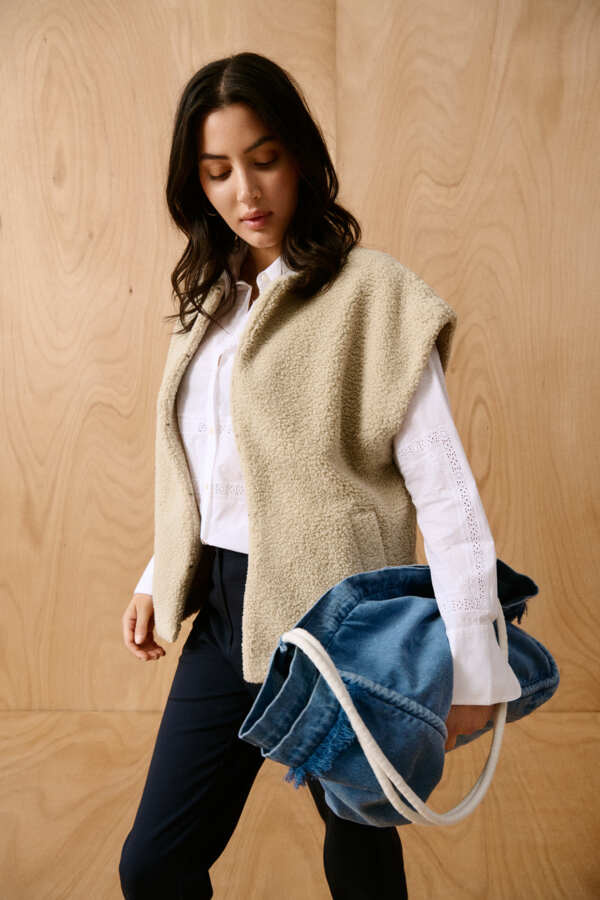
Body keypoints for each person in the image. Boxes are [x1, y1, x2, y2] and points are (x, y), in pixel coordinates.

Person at [118, 52, 521, 900]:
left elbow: (446, 494)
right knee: (154, 864)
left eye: (263, 159)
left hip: (340, 620)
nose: (245, 191)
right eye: (217, 171)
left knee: (361, 859)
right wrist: (160, 573)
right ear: (196, 183)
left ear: (300, 156)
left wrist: (476, 666)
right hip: (225, 612)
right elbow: (216, 465)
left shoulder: (376, 296)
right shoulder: (210, 302)